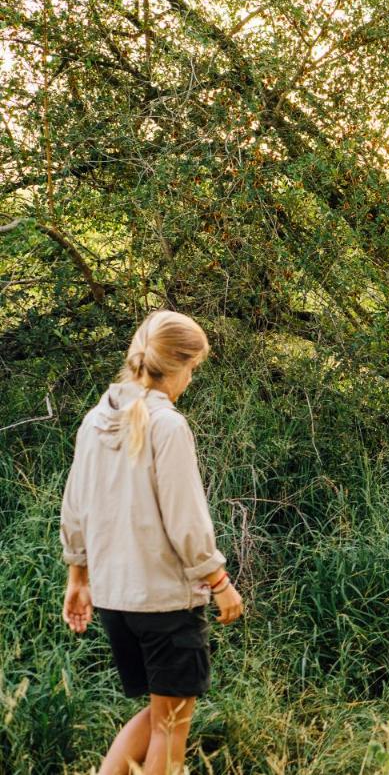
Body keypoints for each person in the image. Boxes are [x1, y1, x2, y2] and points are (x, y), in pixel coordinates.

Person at [60, 311, 244, 775]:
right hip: (163, 601)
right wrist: (218, 580)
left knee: (162, 713)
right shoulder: (167, 424)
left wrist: (77, 578)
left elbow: (74, 507)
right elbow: (187, 521)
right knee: (172, 724)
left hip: (115, 600)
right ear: (177, 365)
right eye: (192, 370)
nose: (189, 381)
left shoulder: (94, 421)